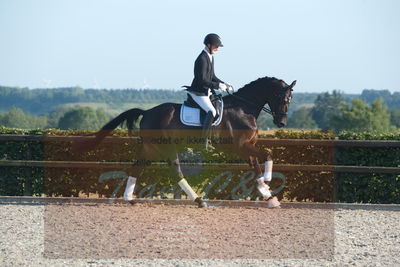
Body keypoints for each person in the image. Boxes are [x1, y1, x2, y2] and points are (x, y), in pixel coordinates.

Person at [187, 33, 231, 149]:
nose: (217, 49)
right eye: (216, 46)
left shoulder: (210, 56)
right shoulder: (202, 59)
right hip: (198, 92)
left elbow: (212, 76)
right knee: (211, 112)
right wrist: (217, 85)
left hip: (206, 91)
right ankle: (202, 142)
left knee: (218, 107)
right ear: (208, 45)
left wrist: (224, 84)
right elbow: (202, 80)